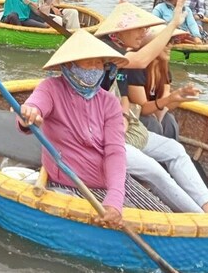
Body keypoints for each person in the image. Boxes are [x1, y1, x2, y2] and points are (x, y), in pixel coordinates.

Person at [94, 3, 208, 213]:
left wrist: (125, 117)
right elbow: (141, 60)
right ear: (120, 30)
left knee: (175, 150)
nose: (143, 33)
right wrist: (172, 24)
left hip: (117, 127)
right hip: (97, 135)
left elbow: (123, 96)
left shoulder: (121, 54)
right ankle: (201, 217)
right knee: (155, 171)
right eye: (139, 28)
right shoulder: (107, 48)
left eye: (146, 29)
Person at [17, 30, 128, 228]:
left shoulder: (109, 102)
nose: (95, 68)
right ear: (69, 65)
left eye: (99, 63)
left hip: (105, 180)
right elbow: (33, 107)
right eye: (88, 63)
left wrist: (115, 197)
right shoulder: (51, 88)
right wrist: (28, 116)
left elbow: (115, 151)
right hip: (69, 180)